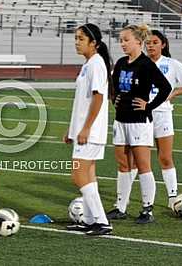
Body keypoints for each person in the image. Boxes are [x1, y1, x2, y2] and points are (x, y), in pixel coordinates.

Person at [106, 24, 172, 224]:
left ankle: (147, 209)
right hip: (121, 119)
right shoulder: (120, 63)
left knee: (143, 165)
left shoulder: (145, 64)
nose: (122, 44)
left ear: (138, 42)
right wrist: (114, 99)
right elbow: (113, 86)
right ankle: (120, 207)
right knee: (123, 164)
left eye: (126, 40)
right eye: (121, 40)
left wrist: (149, 105)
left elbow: (165, 87)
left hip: (139, 122)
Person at [136, 30, 182, 208]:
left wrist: (176, 92)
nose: (150, 45)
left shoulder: (172, 64)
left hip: (163, 115)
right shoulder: (138, 63)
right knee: (141, 160)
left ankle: (172, 197)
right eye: (148, 43)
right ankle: (142, 201)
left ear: (163, 44)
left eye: (155, 42)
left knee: (165, 157)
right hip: (141, 116)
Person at [64, 23, 112, 235]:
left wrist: (86, 129)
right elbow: (80, 103)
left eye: (81, 39)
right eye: (76, 38)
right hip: (83, 131)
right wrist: (71, 129)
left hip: (90, 132)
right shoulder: (88, 64)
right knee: (88, 174)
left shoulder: (96, 64)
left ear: (94, 43)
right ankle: (93, 220)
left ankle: (101, 221)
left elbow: (99, 98)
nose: (77, 42)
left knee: (78, 175)